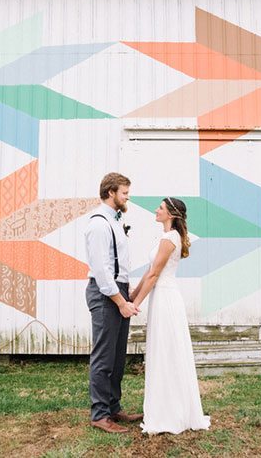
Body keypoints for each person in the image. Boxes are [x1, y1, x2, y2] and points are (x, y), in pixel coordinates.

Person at [130, 197, 211, 435]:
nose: (156, 210)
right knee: (162, 350)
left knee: (167, 350)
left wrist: (135, 304)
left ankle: (170, 412)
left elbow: (155, 274)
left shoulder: (170, 239)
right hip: (161, 297)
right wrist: (133, 293)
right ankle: (164, 406)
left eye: (161, 208)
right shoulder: (166, 238)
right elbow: (149, 272)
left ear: (171, 214)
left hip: (165, 298)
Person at [84, 172, 143, 433]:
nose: (127, 198)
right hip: (105, 293)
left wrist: (126, 290)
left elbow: (117, 264)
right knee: (104, 357)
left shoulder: (115, 221)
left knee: (118, 357)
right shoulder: (98, 224)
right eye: (124, 193)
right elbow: (101, 270)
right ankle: (99, 414)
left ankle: (113, 407)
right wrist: (119, 301)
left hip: (117, 290)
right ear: (111, 193)